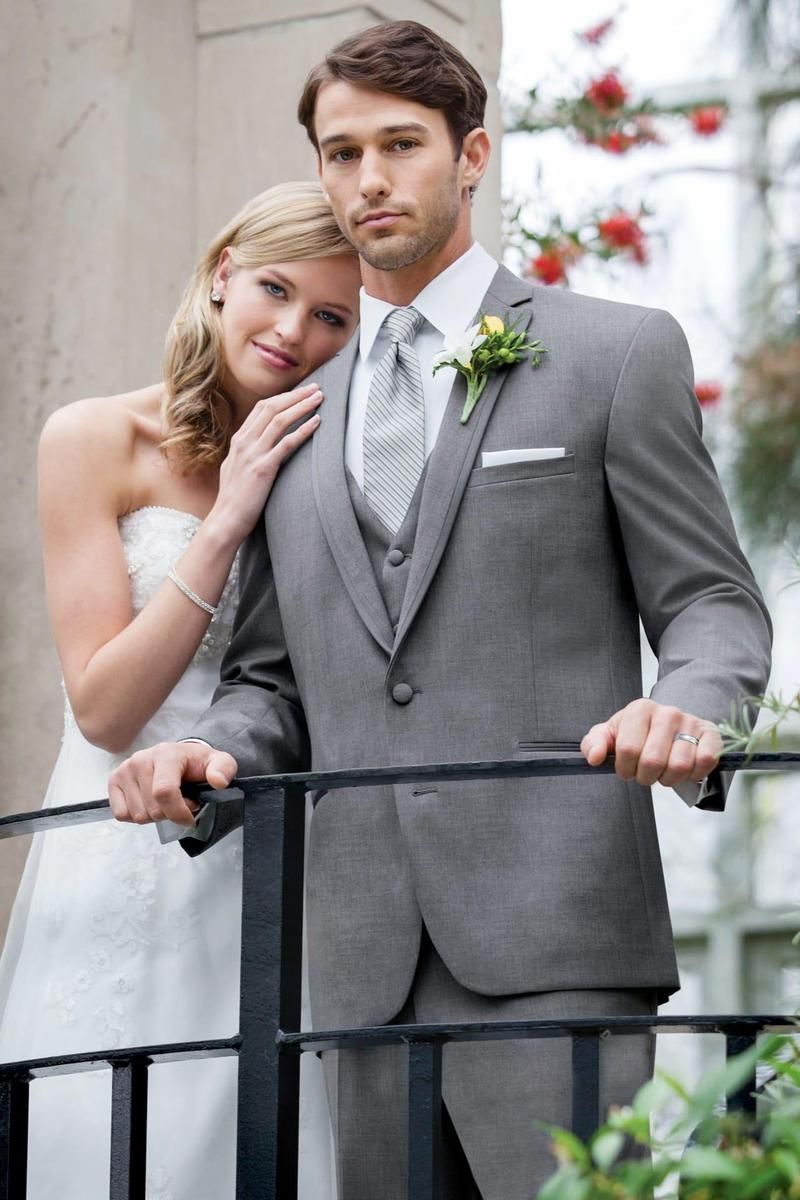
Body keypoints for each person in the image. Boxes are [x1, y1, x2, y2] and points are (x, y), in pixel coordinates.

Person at [108, 20, 773, 1200]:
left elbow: (712, 602)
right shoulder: (291, 419)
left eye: (400, 145)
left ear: (470, 154)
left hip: (556, 930)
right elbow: (272, 683)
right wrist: (211, 750)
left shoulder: (611, 355)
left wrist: (686, 711)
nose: (367, 180)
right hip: (359, 962)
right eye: (339, 151)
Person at [0, 180, 359, 1200]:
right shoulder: (93, 437)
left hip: (267, 842)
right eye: (273, 290)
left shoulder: (328, 463)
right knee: (98, 1138)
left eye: (330, 316)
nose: (292, 331)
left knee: (253, 1140)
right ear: (218, 278)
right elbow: (104, 707)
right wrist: (229, 512)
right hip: (116, 842)